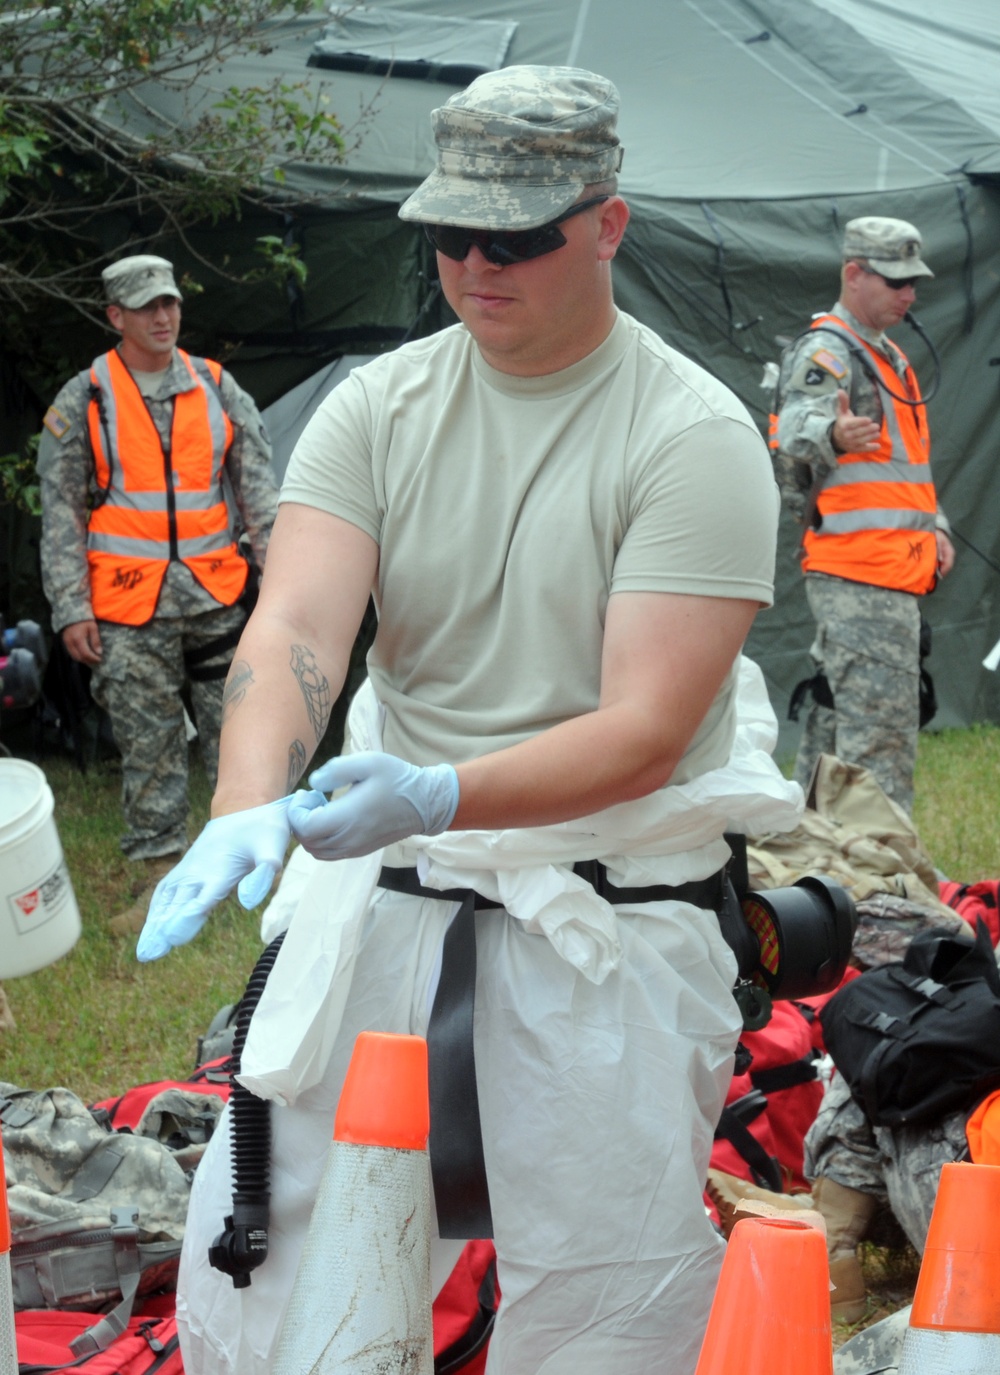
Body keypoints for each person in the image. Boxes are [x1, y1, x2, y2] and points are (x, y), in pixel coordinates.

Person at [138, 66, 802, 1375]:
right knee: (267, 1249)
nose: (474, 266)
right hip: (390, 875)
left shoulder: (692, 435)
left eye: (517, 238)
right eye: (451, 235)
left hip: (608, 895)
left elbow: (647, 727)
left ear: (608, 224)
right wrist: (244, 799)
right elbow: (299, 631)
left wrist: (440, 790)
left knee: (610, 1292)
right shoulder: (378, 407)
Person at [36, 254, 278, 933]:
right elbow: (60, 515)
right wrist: (71, 608)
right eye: (146, 307)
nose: (163, 316)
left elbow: (261, 498)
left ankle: (253, 869)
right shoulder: (84, 399)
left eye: (169, 303)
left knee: (247, 735)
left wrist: (283, 588)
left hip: (216, 599)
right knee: (149, 744)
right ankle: (160, 877)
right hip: (125, 610)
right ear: (116, 316)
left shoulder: (216, 387)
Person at [772, 217, 955, 815]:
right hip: (858, 577)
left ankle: (806, 857)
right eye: (895, 280)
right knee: (879, 746)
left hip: (888, 573)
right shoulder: (829, 350)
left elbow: (905, 470)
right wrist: (832, 429)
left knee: (834, 728)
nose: (910, 293)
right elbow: (792, 427)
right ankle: (880, 887)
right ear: (854, 274)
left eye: (914, 282)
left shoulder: (888, 355)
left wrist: (938, 531)